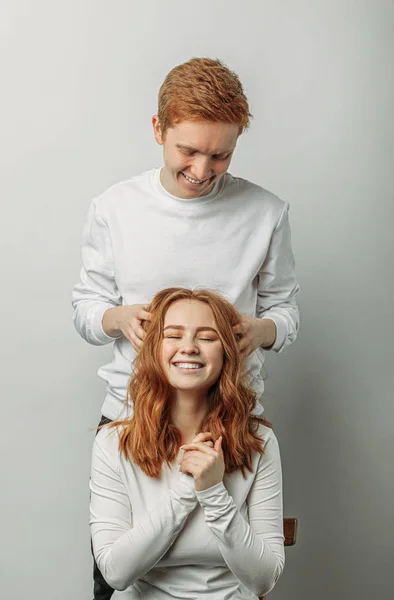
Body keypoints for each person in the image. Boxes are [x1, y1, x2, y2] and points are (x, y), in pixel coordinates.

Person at [72, 57, 299, 599]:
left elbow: (286, 311)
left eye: (220, 155)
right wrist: (116, 318)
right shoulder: (116, 207)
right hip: (133, 421)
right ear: (158, 130)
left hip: (231, 417)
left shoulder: (265, 212)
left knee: (236, 560)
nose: (202, 169)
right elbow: (86, 306)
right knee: (123, 570)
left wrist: (258, 331)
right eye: (188, 151)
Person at [91, 288, 284, 599]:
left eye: (207, 338)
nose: (189, 348)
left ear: (227, 352)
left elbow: (264, 580)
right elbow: (115, 573)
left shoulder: (259, 441)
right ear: (153, 348)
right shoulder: (112, 443)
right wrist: (185, 492)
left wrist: (213, 493)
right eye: (174, 335)